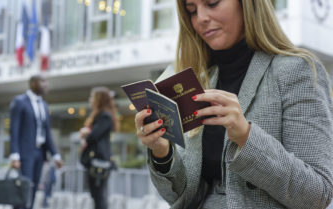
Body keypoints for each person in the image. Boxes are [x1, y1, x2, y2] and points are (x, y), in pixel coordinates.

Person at [135, 0, 333, 208]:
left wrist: (246, 136)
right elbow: (182, 197)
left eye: (212, 3)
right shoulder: (200, 81)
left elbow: (317, 195)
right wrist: (162, 152)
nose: (201, 18)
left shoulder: (297, 71)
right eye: (191, 10)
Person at [9, 74, 64, 209]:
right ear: (33, 83)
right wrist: (15, 155)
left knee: (34, 188)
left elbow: (47, 132)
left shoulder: (44, 105)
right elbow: (14, 130)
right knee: (23, 188)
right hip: (25, 153)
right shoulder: (20, 101)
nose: (46, 85)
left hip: (40, 152)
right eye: (43, 81)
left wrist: (55, 155)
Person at [80, 87, 119, 209]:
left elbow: (94, 136)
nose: (90, 99)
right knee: (97, 195)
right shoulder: (102, 115)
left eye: (92, 97)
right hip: (97, 161)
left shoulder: (105, 116)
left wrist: (86, 132)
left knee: (99, 195)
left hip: (99, 161)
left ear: (99, 99)